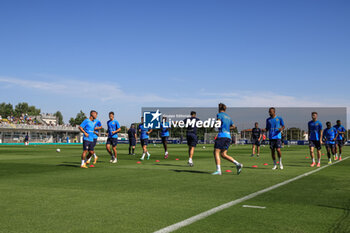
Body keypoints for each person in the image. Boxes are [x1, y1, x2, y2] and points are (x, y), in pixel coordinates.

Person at [212, 103, 243, 175]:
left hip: (222, 136)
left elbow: (218, 122)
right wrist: (226, 128)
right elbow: (234, 126)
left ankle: (218, 170)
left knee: (216, 152)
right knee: (223, 154)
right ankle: (238, 164)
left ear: (219, 108)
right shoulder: (228, 117)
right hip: (228, 137)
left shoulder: (219, 114)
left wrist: (213, 126)